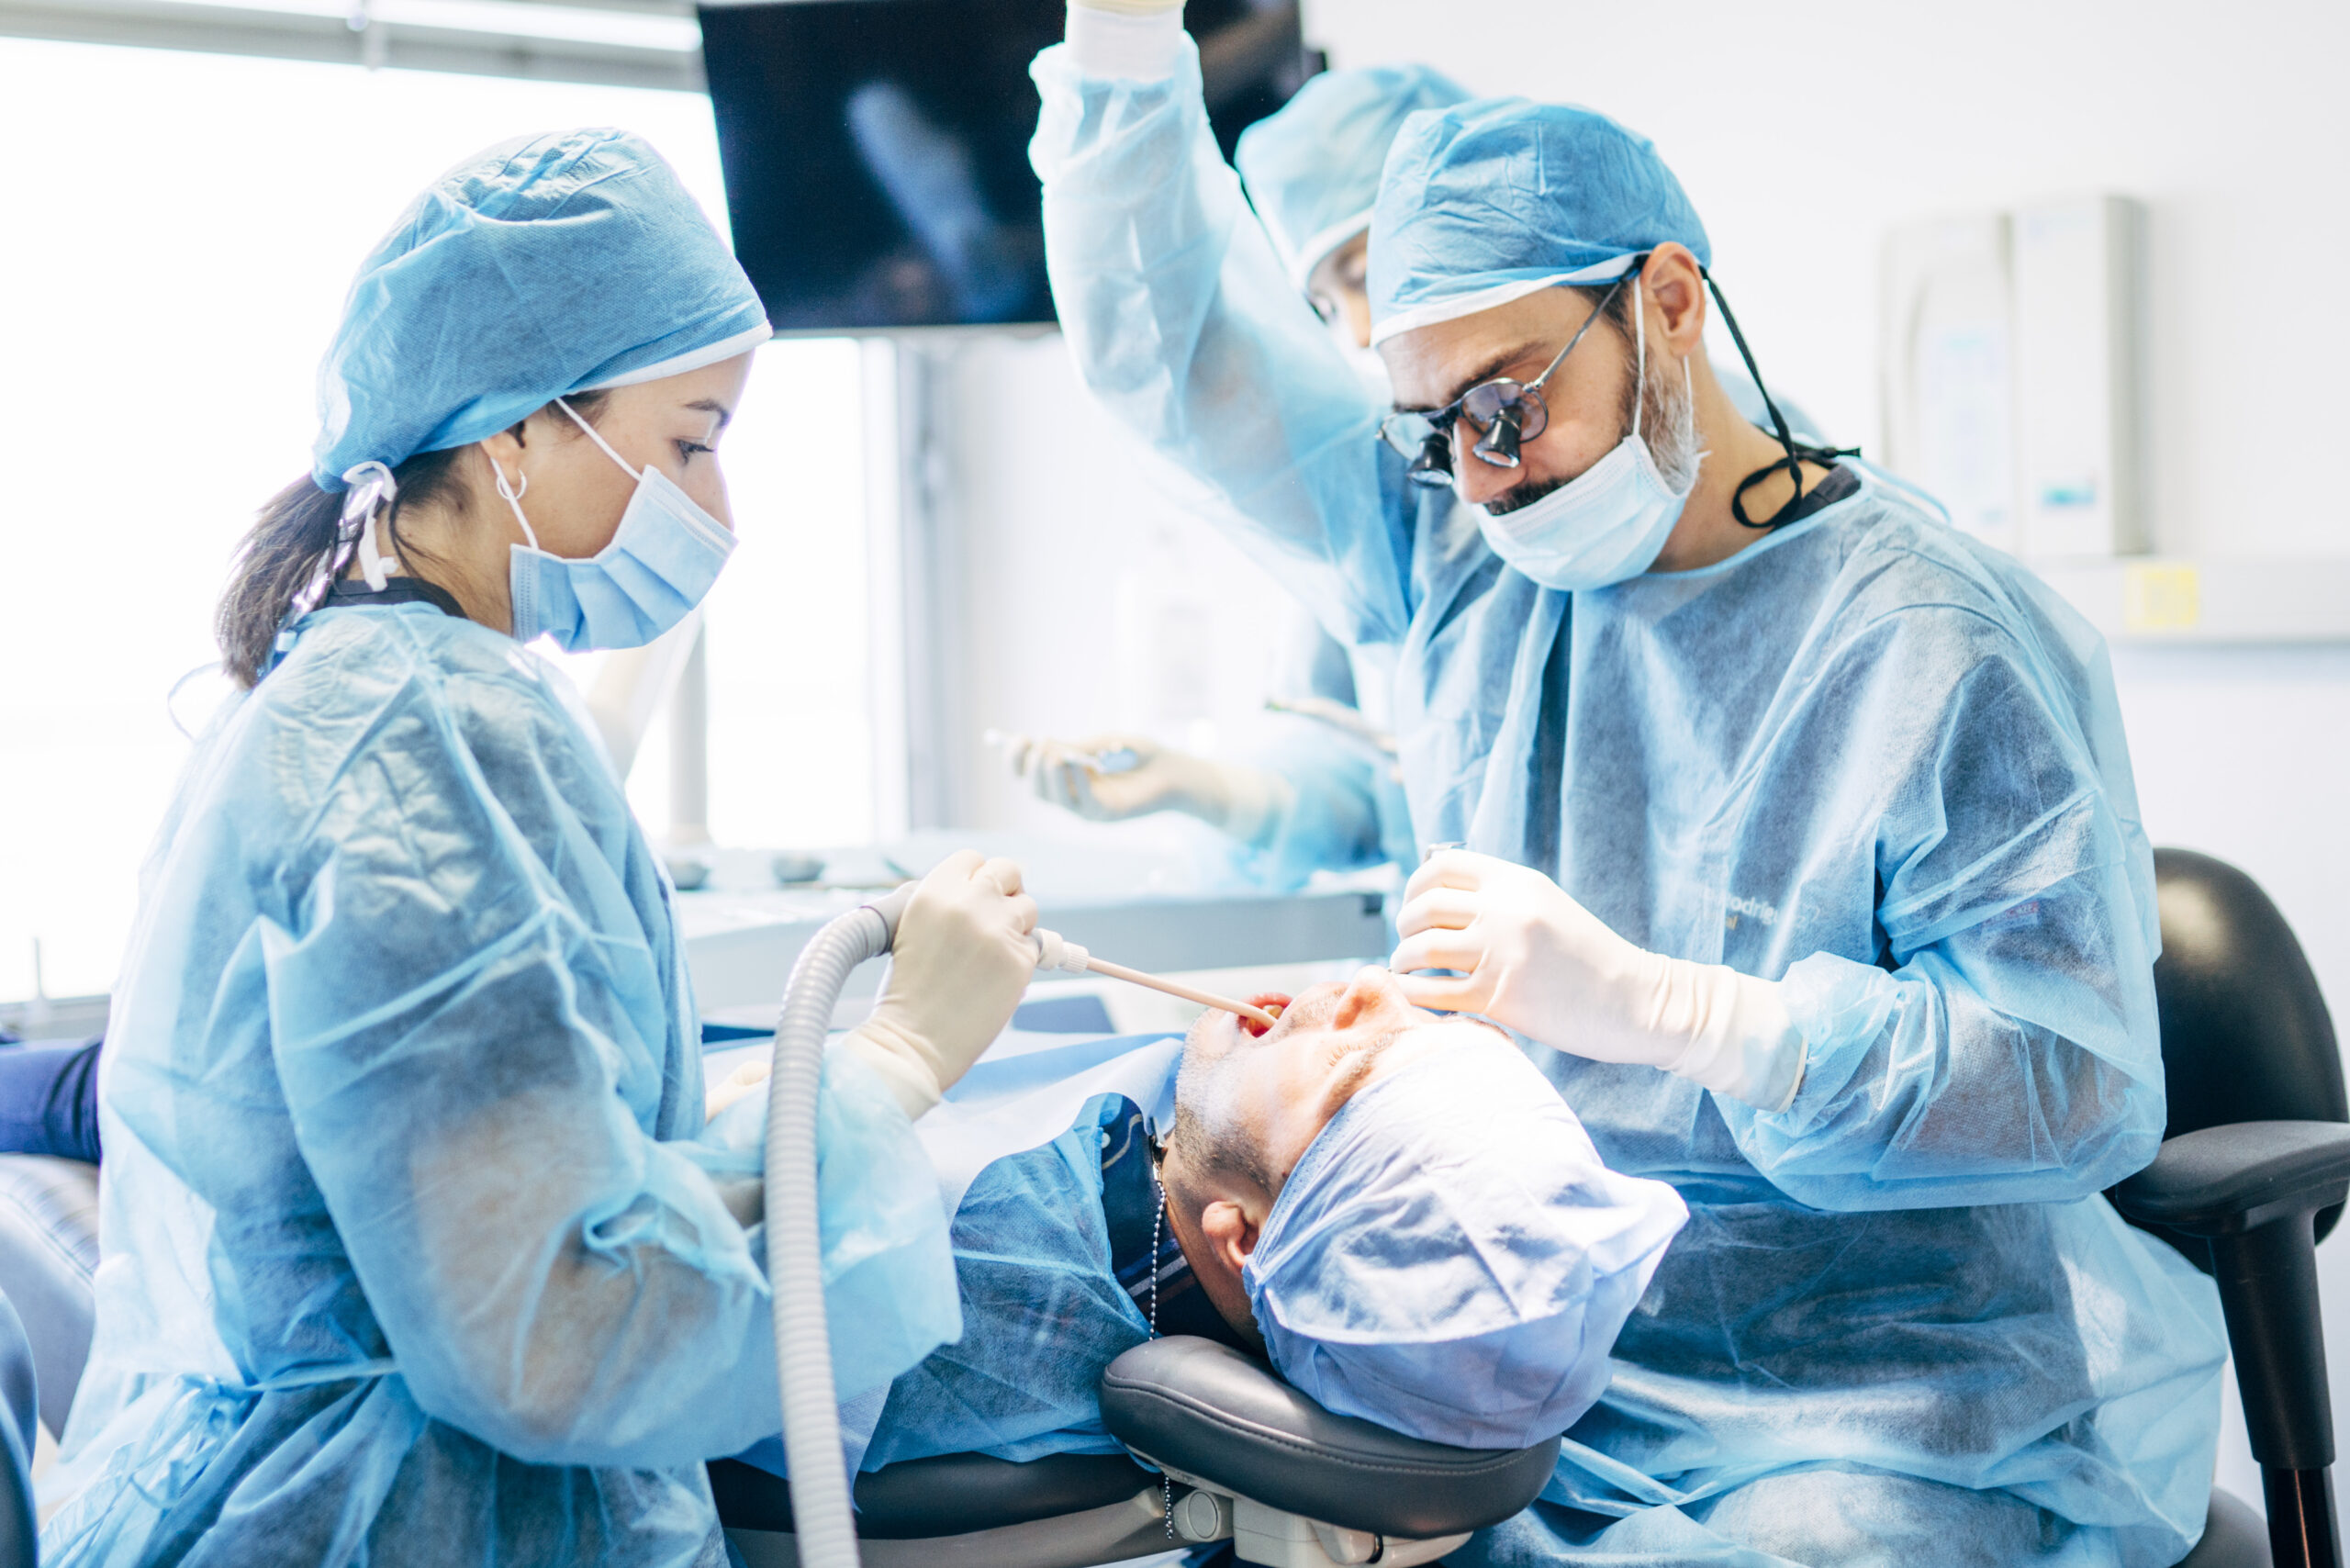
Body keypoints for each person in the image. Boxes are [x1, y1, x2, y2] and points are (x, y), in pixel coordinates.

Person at [1029, 12, 2228, 1567]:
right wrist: (1121, 35)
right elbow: (1178, 354)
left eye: (1508, 406)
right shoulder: (1471, 569)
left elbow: (2072, 1075)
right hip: (1521, 1360)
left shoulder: (1932, 643)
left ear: (1667, 301)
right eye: (1436, 426)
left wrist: (1690, 1015)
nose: (1478, 472)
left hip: (1878, 1399)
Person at [39, 129, 1042, 1568]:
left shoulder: (365, 694)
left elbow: (518, 1186)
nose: (719, 511)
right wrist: (887, 1072)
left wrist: (767, 1124)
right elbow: (552, 1330)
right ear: (516, 431)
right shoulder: (427, 744)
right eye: (690, 439)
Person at [704, 966, 1686, 1479]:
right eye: (1424, 1026)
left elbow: (632, 1286)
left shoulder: (992, 1270)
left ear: (1248, 1238)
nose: (1366, 990)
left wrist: (792, 1113)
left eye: (1348, 1070)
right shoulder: (1152, 1164)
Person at [1002, 66, 1470, 889]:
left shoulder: (1630, 480)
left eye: (1363, 276)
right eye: (1323, 307)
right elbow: (1400, 778)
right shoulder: (1398, 492)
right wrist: (1209, 788)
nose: (1356, 334)